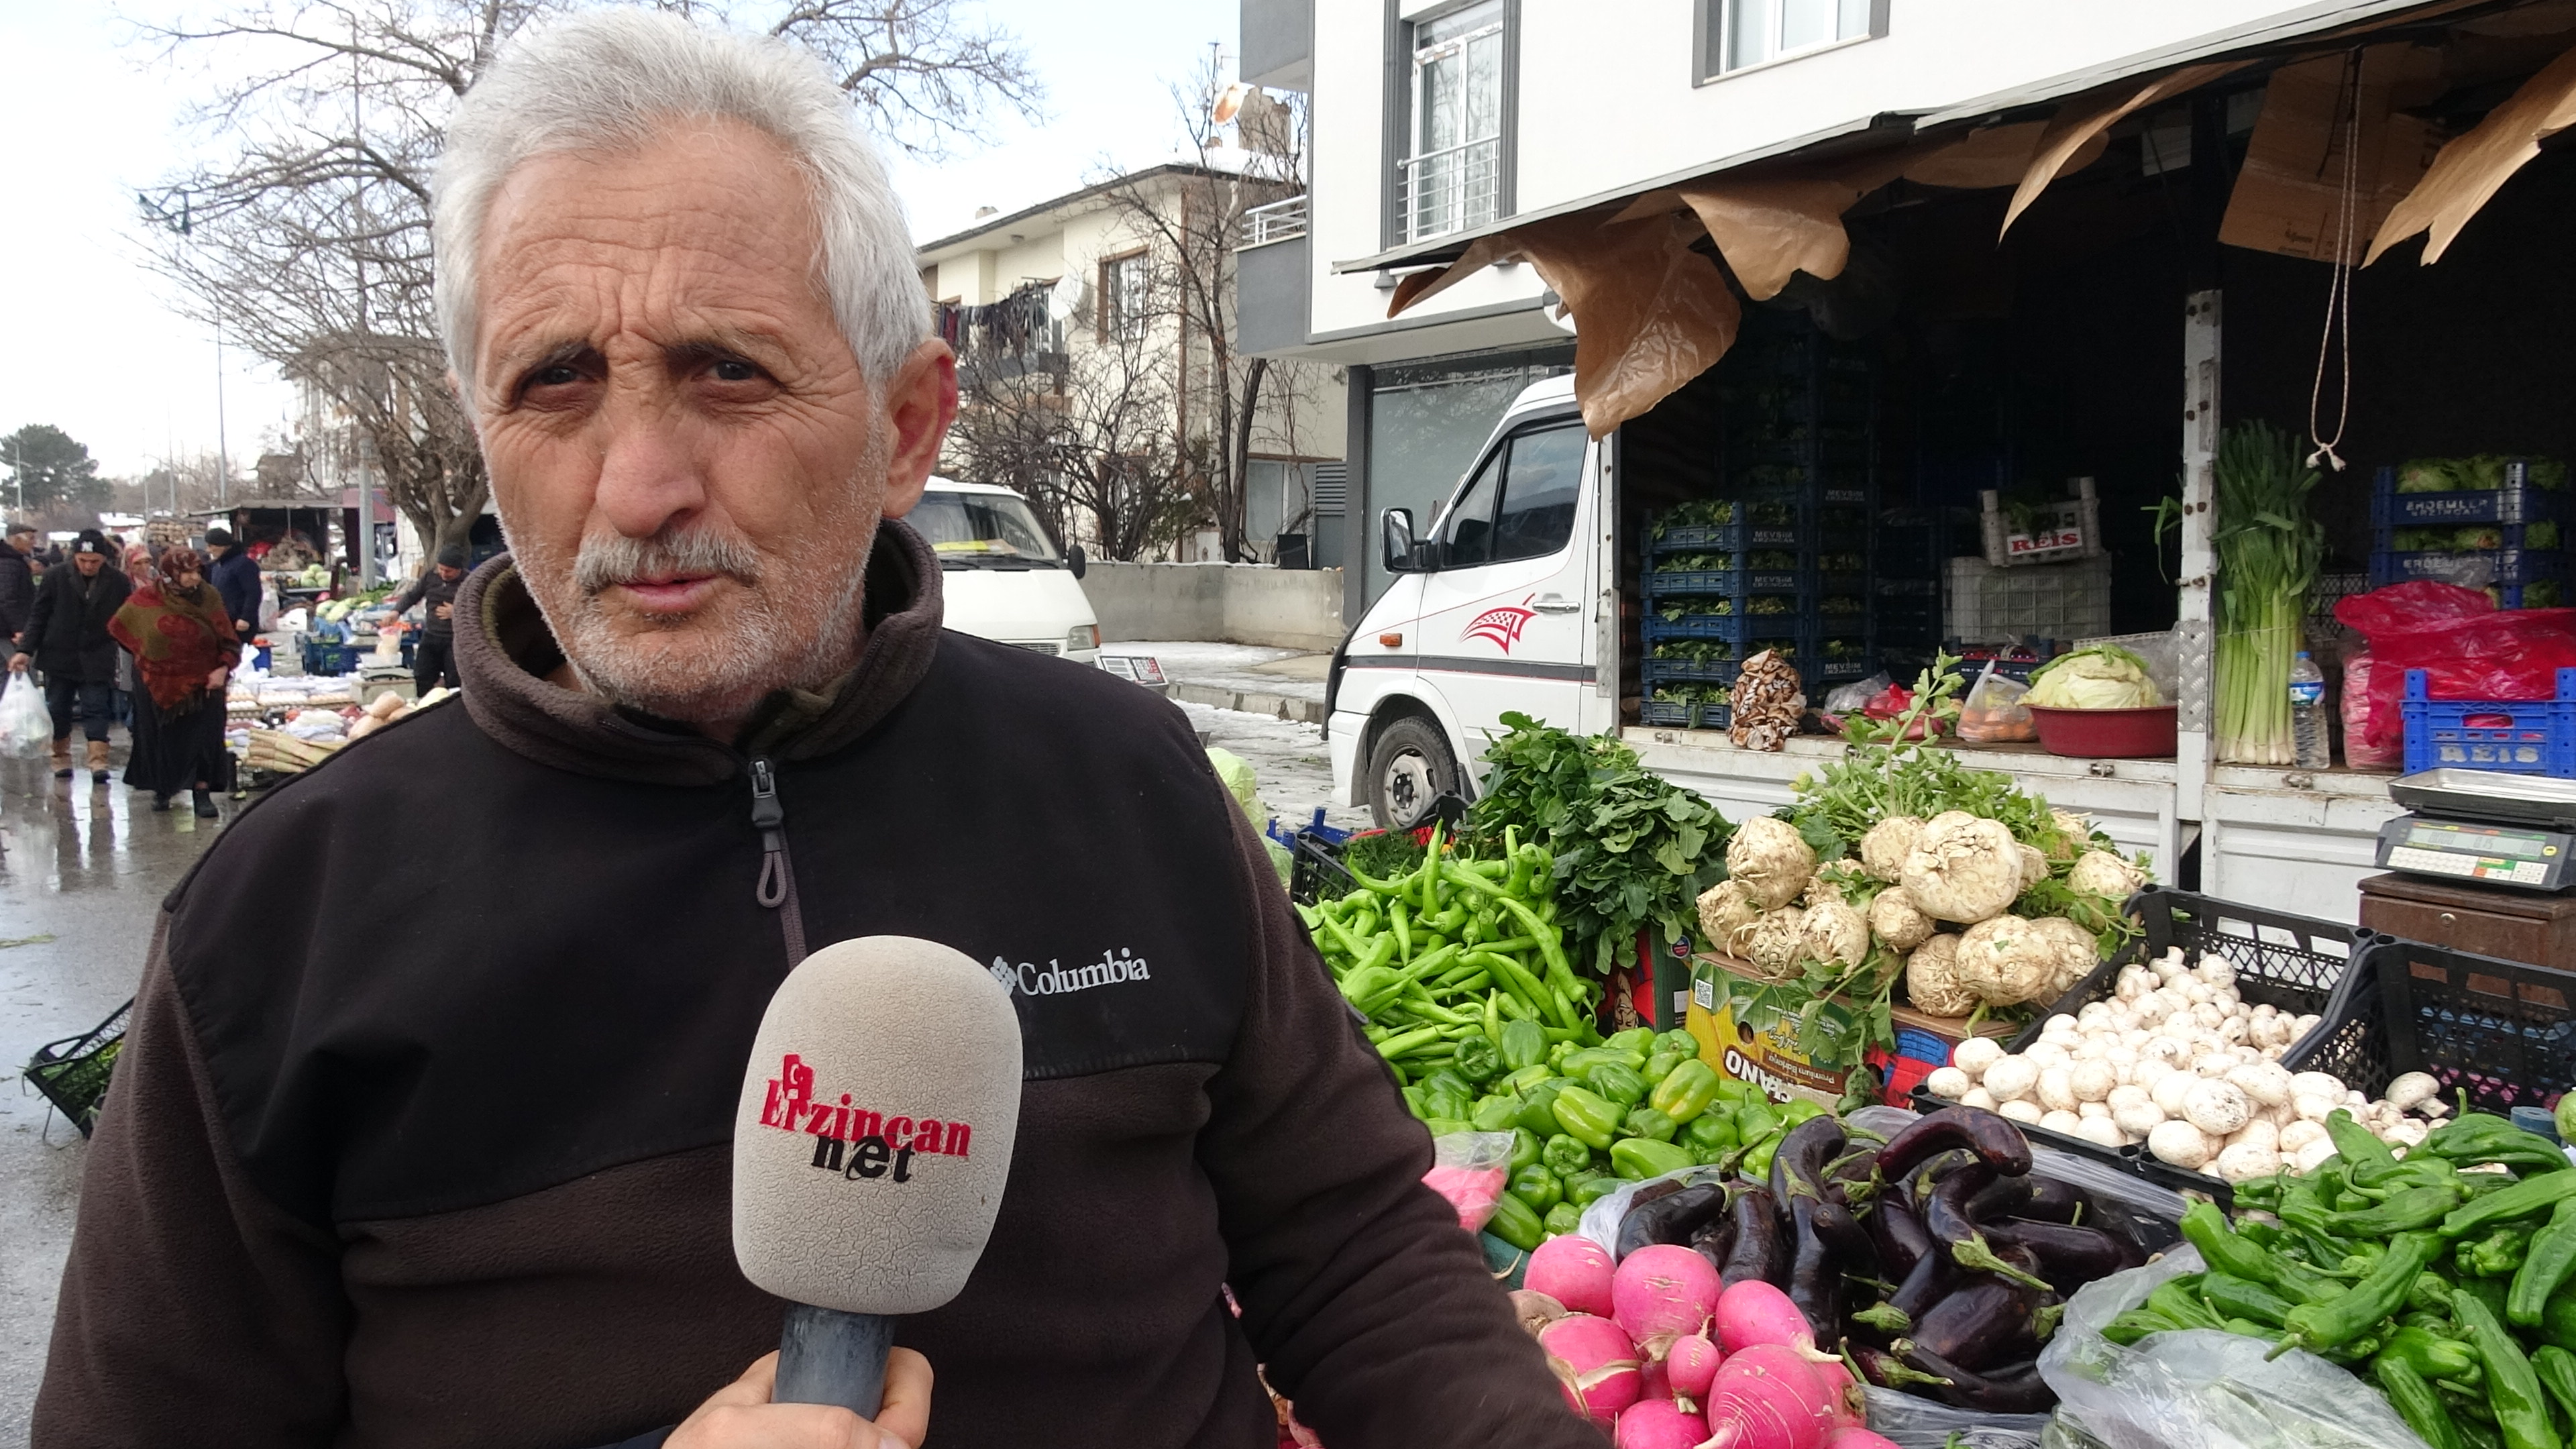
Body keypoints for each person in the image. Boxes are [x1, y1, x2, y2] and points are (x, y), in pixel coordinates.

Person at [34, 13, 1596, 1449]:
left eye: (726, 370)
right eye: (555, 381)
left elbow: (1352, 1248)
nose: (640, 485)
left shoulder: (1123, 777)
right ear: (482, 432)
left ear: (905, 427)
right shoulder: (281, 921)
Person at [110, 546, 240, 817]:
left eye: (197, 571)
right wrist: (147, 654)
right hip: (157, 683)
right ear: (171, 573)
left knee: (204, 739)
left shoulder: (209, 597)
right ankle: (163, 789)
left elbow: (228, 639)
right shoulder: (147, 598)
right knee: (162, 738)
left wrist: (222, 668)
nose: (194, 578)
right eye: (187, 572)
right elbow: (121, 627)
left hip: (204, 684)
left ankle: (202, 793)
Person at [10, 529, 130, 782]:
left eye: (94, 561)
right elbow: (39, 615)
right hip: (59, 655)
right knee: (58, 708)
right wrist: (24, 651)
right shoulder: (55, 576)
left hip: (97, 655)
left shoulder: (117, 581)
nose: (88, 566)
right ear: (75, 556)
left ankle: (98, 761)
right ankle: (60, 757)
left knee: (97, 708)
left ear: (103, 559)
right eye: (83, 560)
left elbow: (127, 619)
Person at [388, 541, 468, 692]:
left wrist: (457, 612)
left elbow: (478, 609)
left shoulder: (469, 582)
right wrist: (396, 611)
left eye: (449, 571)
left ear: (459, 569)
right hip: (431, 635)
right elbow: (413, 596)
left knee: (455, 681)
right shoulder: (430, 577)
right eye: (441, 569)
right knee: (422, 677)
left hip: (455, 639)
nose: (444, 574)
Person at [205, 526, 264, 638]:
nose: (208, 550)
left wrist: (246, 618)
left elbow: (253, 593)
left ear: (222, 546)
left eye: (210, 546)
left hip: (239, 622)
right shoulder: (217, 566)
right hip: (223, 620)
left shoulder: (244, 564)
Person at [0, 521, 36, 643]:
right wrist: (19, 628)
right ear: (17, 539)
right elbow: (6, 598)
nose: (34, 543)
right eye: (31, 538)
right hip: (7, 632)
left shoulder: (16, 560)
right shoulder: (8, 562)